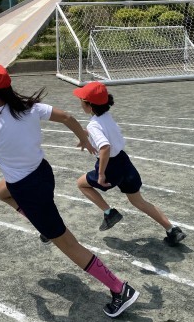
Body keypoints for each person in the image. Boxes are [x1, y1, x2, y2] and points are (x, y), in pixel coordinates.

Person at [0, 64, 140, 318]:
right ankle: (44, 228)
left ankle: (119, 289)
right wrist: (84, 138)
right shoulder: (30, 108)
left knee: (69, 244)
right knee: (0, 190)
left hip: (29, 190)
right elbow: (68, 117)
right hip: (43, 174)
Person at [73, 81, 186, 246]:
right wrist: (87, 135)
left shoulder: (94, 124)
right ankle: (172, 230)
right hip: (124, 162)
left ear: (89, 105)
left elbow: (105, 147)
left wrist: (101, 174)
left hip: (110, 167)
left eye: (81, 100)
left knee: (81, 184)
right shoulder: (106, 117)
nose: (80, 103)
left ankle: (109, 213)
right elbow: (106, 135)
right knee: (138, 201)